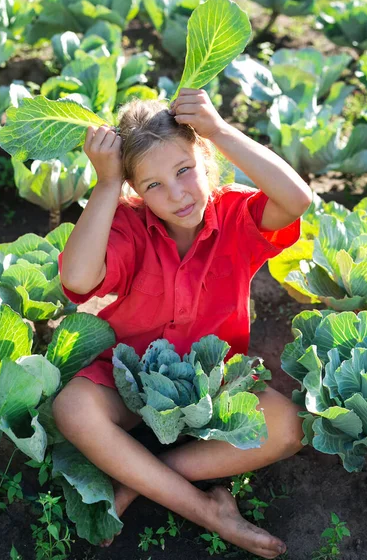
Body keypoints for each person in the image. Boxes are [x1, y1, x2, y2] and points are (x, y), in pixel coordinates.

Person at [54, 88, 313, 558]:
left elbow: (297, 199)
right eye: (151, 185)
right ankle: (205, 509)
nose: (175, 194)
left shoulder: (236, 216)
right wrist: (106, 183)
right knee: (72, 408)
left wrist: (219, 128)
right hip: (130, 379)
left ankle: (143, 474)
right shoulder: (129, 225)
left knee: (288, 427)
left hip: (210, 384)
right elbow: (76, 277)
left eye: (183, 170)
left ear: (205, 159)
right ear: (135, 191)